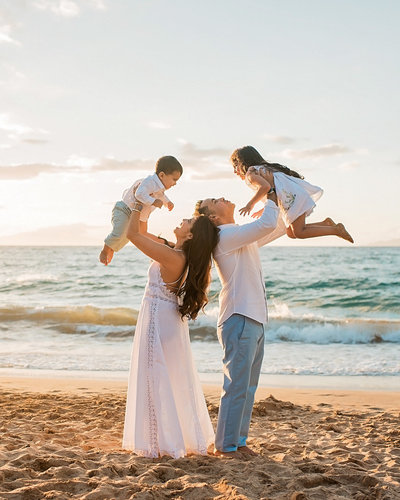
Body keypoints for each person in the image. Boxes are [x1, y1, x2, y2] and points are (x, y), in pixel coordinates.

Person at [122, 200, 219, 458]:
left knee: (157, 380)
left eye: (188, 221)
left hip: (158, 321)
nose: (183, 220)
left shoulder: (174, 257)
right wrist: (148, 205)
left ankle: (160, 443)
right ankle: (173, 439)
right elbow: (142, 231)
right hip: (167, 321)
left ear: (190, 235)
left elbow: (132, 235)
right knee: (170, 381)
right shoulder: (174, 252)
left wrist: (135, 202)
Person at [195, 177, 282, 458]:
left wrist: (283, 197)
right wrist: (268, 191)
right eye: (214, 200)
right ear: (213, 216)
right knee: (236, 387)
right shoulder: (225, 236)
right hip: (240, 317)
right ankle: (226, 446)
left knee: (247, 387)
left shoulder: (237, 234)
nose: (221, 197)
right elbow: (267, 224)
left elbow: (276, 227)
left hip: (253, 318)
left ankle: (238, 442)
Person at [230, 145, 354, 243]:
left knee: (299, 232)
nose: (235, 170)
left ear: (242, 163)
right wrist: (264, 209)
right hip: (293, 197)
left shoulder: (251, 174)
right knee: (291, 233)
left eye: (235, 166)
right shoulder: (262, 168)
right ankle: (326, 224)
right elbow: (275, 188)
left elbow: (266, 187)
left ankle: (336, 230)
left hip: (292, 199)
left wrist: (250, 205)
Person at [99, 156, 183, 265]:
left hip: (136, 215)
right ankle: (105, 250)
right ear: (162, 175)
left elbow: (162, 196)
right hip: (124, 209)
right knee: (119, 233)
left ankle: (112, 249)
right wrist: (153, 201)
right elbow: (139, 194)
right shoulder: (149, 182)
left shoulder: (159, 187)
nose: (175, 183)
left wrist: (168, 203)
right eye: (174, 179)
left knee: (128, 236)